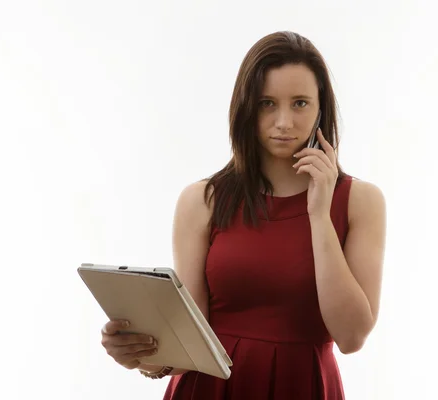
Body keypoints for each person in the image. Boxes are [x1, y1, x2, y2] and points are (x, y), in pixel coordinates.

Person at [99, 30, 387, 399]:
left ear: (321, 109)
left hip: (303, 387)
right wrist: (139, 356)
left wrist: (319, 215)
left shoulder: (360, 201)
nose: (284, 122)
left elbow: (351, 337)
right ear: (246, 107)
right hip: (208, 389)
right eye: (267, 103)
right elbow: (191, 336)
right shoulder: (203, 199)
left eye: (300, 103)